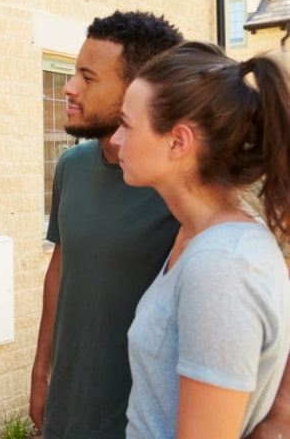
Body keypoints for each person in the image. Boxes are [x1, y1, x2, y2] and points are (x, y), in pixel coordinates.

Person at [111, 41, 290, 438]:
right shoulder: (196, 238)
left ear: (178, 142)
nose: (116, 140)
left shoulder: (223, 266)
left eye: (127, 124)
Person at [29, 10, 185, 437]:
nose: (70, 87)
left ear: (138, 91)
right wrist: (41, 373)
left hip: (141, 417)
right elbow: (60, 271)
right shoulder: (70, 166)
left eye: (88, 77)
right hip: (67, 408)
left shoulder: (178, 187)